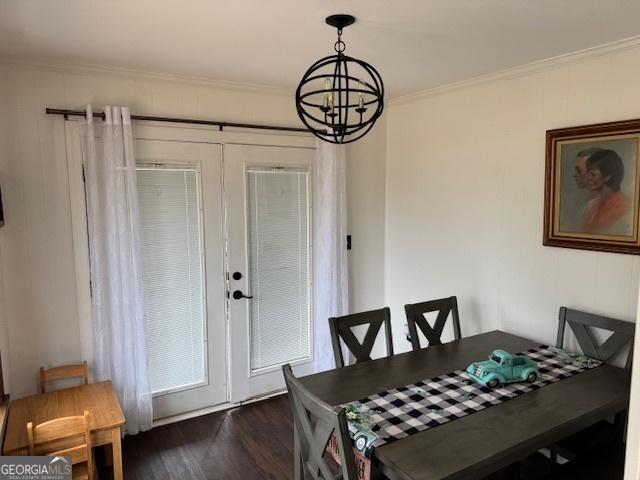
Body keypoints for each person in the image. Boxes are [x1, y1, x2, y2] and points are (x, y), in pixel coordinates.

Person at [582, 148, 632, 235]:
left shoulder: (625, 208)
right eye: (588, 173)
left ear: (607, 176)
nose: (587, 178)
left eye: (592, 174)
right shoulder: (592, 205)